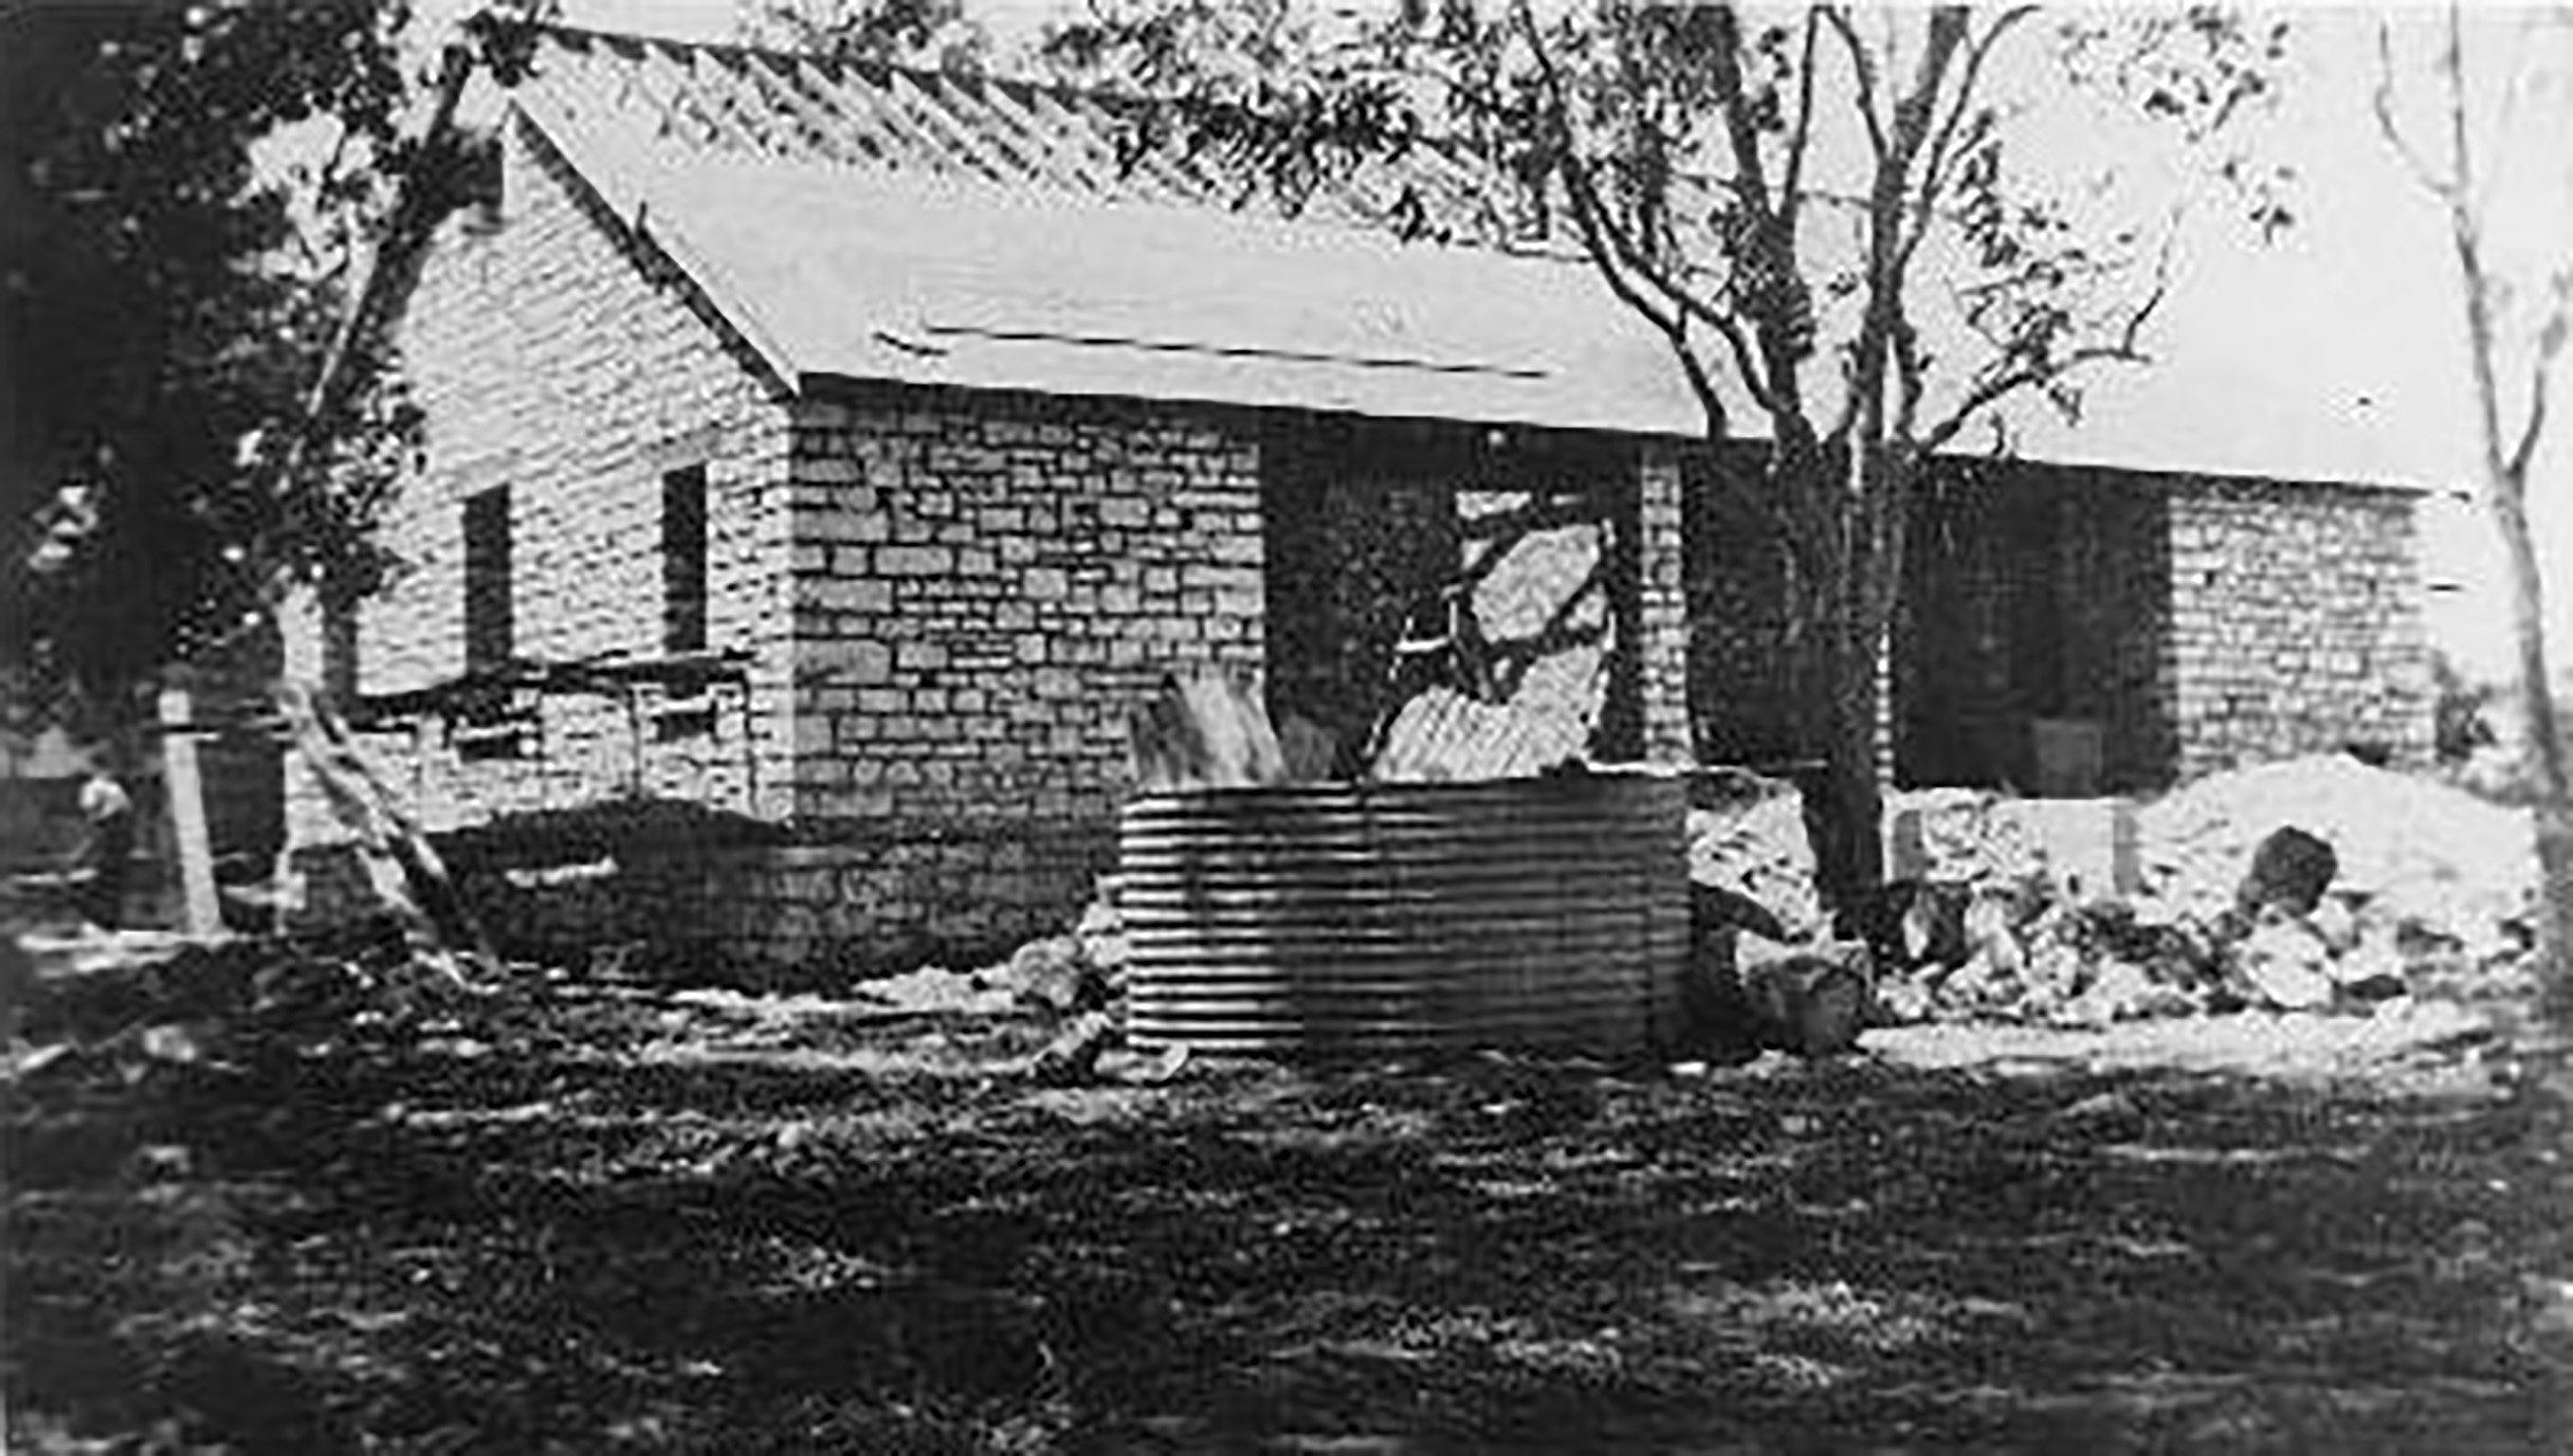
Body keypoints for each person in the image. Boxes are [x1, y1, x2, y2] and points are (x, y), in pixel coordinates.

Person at [72, 752, 135, 931]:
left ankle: (97, 917)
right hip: (120, 837)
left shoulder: (94, 788)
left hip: (105, 834)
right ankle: (110, 917)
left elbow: (91, 810)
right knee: (113, 879)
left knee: (98, 877)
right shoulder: (116, 789)